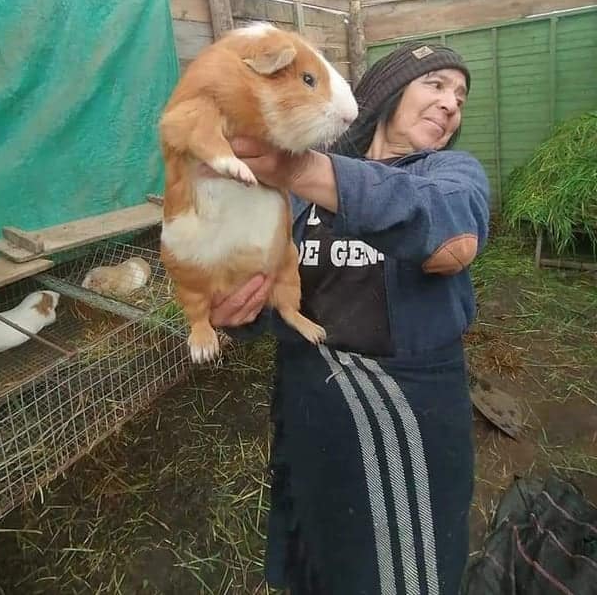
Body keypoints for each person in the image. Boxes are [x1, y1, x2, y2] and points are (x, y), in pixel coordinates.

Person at [209, 41, 491, 595]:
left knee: (402, 571)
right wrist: (235, 313)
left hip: (404, 420)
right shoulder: (302, 195)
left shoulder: (449, 172)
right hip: (310, 408)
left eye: (459, 96)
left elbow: (450, 238)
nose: (451, 103)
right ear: (387, 96)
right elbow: (281, 298)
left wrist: (305, 169)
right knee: (322, 557)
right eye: (435, 85)